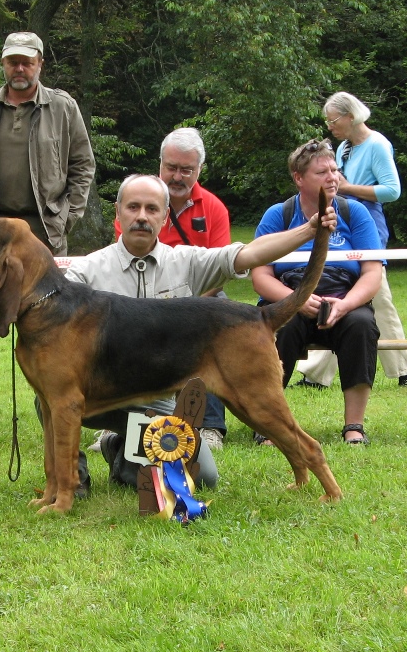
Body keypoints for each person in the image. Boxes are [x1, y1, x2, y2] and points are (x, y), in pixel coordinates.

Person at [66, 173, 336, 488]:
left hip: (160, 398)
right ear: (118, 211)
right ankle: (72, 478)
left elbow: (249, 254)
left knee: (205, 473)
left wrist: (309, 229)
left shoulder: (186, 260)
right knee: (53, 397)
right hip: (103, 393)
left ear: (165, 216)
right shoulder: (85, 271)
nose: (141, 216)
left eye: (152, 209)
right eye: (133, 207)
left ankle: (120, 448)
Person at [0, 31, 96, 420]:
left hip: (44, 233)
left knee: (51, 315)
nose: (19, 68)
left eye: (27, 61)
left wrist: (69, 215)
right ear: (3, 63)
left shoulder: (63, 107)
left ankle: (51, 391)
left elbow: (83, 166)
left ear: (40, 64)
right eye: (12, 61)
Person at [105, 127, 231, 450]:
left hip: (196, 295)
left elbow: (218, 270)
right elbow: (128, 255)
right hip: (142, 294)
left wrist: (184, 307)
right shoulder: (138, 200)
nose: (176, 176)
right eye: (171, 167)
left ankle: (210, 426)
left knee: (215, 328)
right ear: (160, 164)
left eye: (186, 170)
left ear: (199, 170)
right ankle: (112, 423)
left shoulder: (215, 209)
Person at [252, 139, 382, 444]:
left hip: (342, 297)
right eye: (322, 172)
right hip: (289, 295)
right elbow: (259, 276)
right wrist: (294, 301)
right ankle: (269, 425)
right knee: (280, 327)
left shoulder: (355, 213)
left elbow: (373, 272)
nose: (332, 177)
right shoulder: (278, 215)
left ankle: (354, 427)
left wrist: (346, 304)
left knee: (362, 325)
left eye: (335, 170)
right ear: (299, 178)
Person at [296, 91, 407, 390]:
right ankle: (317, 375)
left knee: (378, 295)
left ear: (350, 116)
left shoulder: (377, 144)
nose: (329, 126)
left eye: (333, 120)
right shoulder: (344, 148)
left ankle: (405, 369)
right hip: (344, 220)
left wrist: (350, 189)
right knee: (340, 290)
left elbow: (392, 191)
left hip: (367, 223)